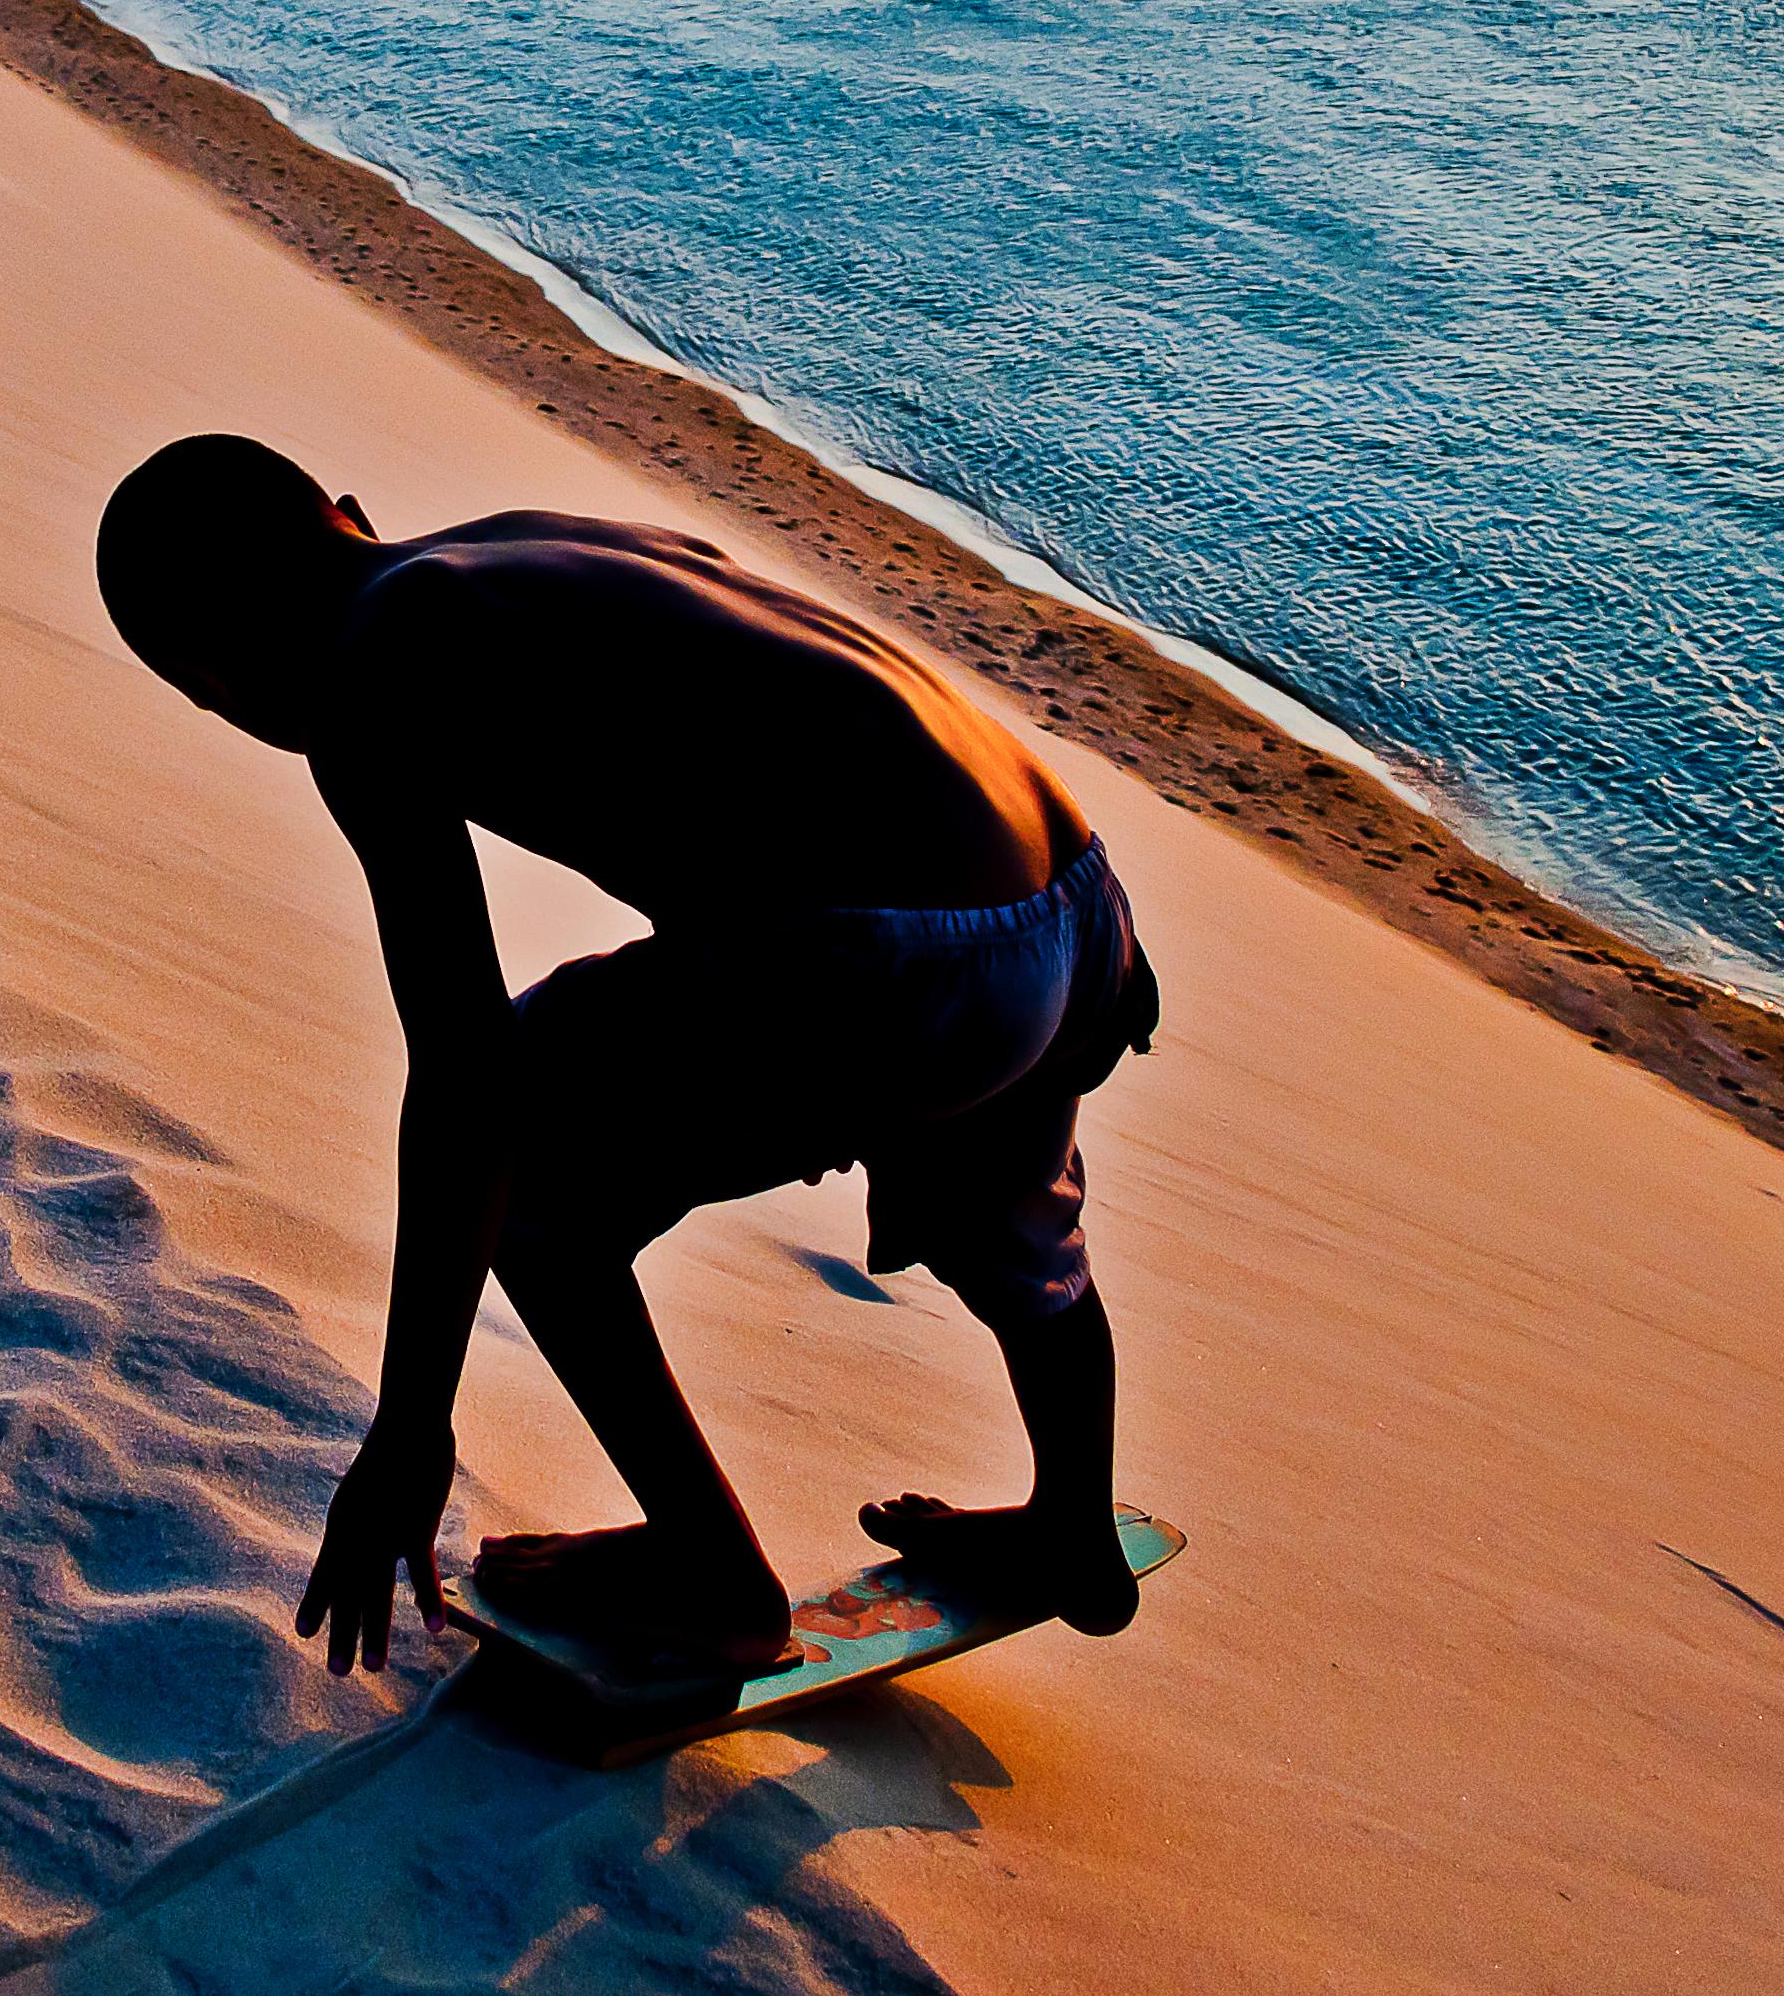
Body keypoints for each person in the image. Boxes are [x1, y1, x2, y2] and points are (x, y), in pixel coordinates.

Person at [93, 433, 1157, 1680]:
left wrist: (410, 1429)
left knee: (529, 1179)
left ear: (220, 668)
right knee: (1014, 1227)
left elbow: (465, 1072)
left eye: (210, 697)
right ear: (343, 512)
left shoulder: (367, 671)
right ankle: (1071, 1523)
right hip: (1071, 895)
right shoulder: (516, 546)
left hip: (896, 951)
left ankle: (711, 1567)